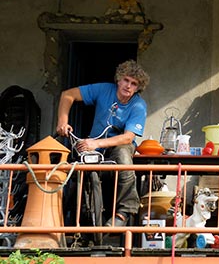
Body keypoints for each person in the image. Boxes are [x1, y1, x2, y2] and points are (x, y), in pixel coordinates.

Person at [56, 59, 150, 227]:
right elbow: (67, 95)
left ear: (138, 88)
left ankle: (124, 212)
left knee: (123, 155)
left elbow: (128, 137)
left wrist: (96, 143)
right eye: (126, 80)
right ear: (119, 79)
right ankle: (70, 219)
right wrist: (63, 121)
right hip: (94, 144)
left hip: (118, 144)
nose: (128, 86)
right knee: (77, 168)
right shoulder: (104, 89)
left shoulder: (138, 105)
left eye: (134, 83)